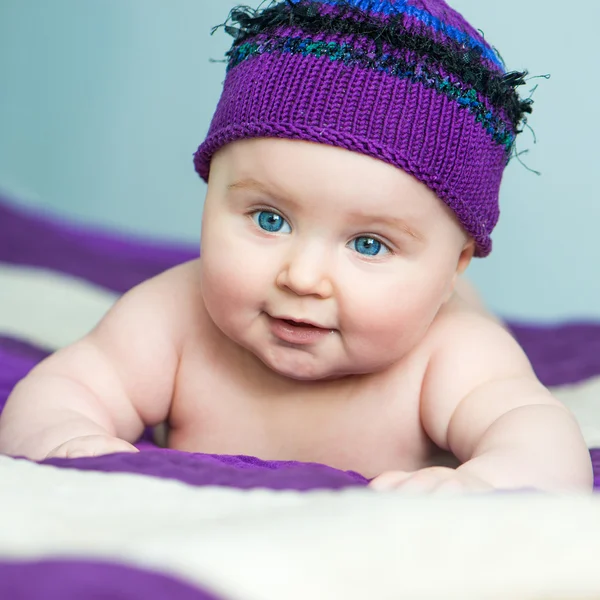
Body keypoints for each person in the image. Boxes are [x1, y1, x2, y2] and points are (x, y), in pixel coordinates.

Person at [0, 0, 592, 492]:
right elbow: (58, 393)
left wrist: (483, 483)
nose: (303, 277)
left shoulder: (451, 354)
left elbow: (543, 444)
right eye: (269, 219)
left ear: (455, 263)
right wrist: (68, 439)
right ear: (210, 194)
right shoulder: (172, 316)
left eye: (368, 244)